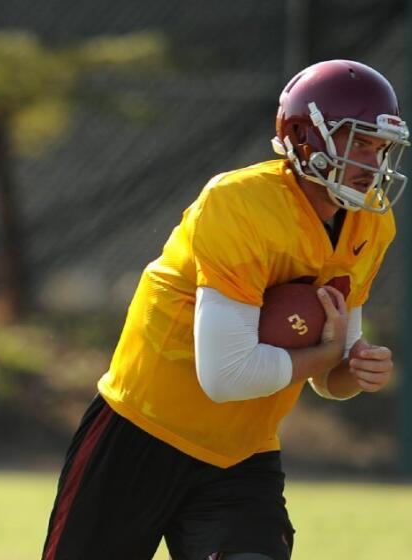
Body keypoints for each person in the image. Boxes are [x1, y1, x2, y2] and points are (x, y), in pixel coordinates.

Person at [42, 59, 407, 560]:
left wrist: (356, 367)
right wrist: (324, 359)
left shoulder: (372, 226)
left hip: (241, 453)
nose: (374, 161)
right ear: (305, 137)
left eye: (381, 147)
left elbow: (330, 376)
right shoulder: (238, 204)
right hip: (142, 430)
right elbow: (227, 375)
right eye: (359, 142)